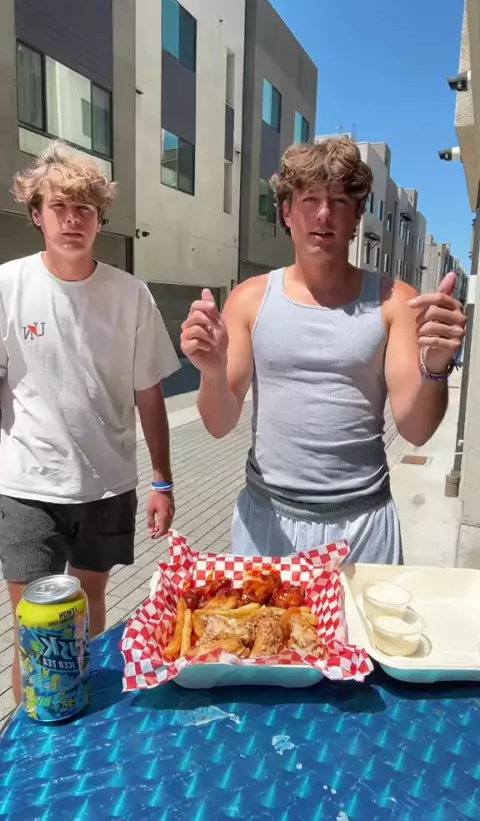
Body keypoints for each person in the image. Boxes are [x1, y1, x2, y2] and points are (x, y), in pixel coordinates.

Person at [181, 138, 466, 564]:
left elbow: (417, 431)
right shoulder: (249, 300)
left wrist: (436, 366)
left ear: (357, 215)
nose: (323, 214)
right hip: (268, 519)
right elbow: (220, 423)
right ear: (286, 212)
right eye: (309, 199)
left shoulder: (394, 301)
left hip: (362, 525)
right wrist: (211, 371)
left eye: (339, 201)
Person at [0, 143, 179, 704]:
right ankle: (33, 733)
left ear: (100, 219)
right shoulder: (8, 285)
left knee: (88, 604)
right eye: (59, 206)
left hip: (107, 483)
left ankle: (84, 718)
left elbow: (149, 391)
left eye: (85, 208)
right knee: (34, 626)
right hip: (27, 487)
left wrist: (163, 480)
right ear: (37, 215)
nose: (72, 219)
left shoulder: (130, 294)